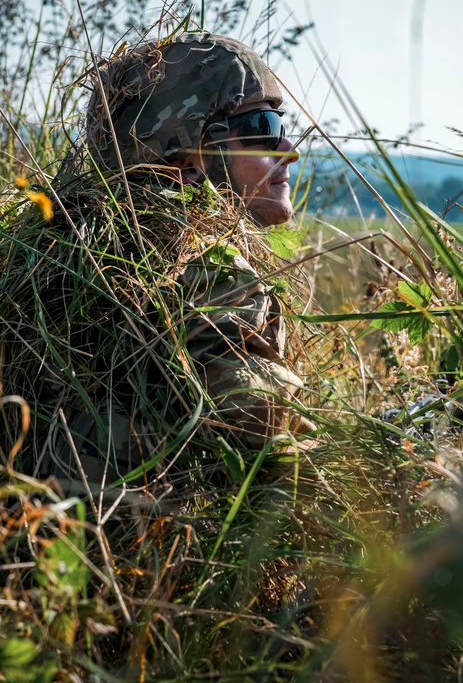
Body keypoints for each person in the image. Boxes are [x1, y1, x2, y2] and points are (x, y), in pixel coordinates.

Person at [37, 31, 316, 489]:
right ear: (186, 163)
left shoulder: (65, 248)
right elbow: (271, 444)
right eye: (262, 127)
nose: (288, 149)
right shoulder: (207, 270)